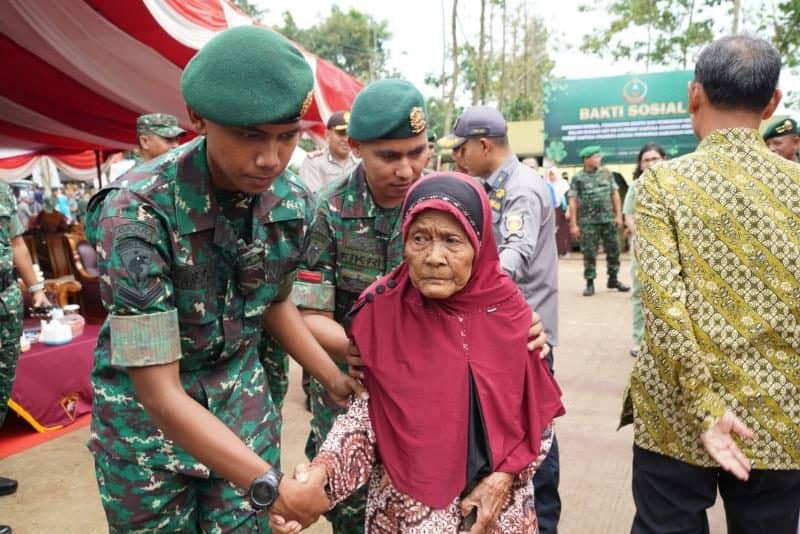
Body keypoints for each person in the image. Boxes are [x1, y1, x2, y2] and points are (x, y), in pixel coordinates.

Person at [83, 26, 364, 532]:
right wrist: (270, 487)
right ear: (198, 118)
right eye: (250, 135)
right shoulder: (138, 213)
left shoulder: (292, 200)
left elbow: (273, 302)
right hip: (146, 438)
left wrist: (332, 377)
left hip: (242, 412)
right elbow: (159, 393)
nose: (270, 159)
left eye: (287, 137)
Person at [271, 172, 565, 533]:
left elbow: (538, 418)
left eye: (452, 241)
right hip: (408, 515)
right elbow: (365, 418)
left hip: (496, 513)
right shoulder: (382, 313)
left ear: (480, 242)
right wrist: (317, 483)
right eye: (420, 238)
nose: (434, 257)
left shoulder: (507, 312)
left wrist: (503, 478)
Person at [622, 35, 800, 533]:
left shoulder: (661, 184)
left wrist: (706, 408)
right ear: (772, 103)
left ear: (693, 95)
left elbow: (663, 312)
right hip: (780, 413)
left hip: (677, 416)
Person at [451, 105, 562, 534]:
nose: (458, 158)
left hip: (527, 341)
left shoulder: (521, 189)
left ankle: (545, 523)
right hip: (500, 336)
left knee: (535, 442)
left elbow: (514, 256)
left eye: (461, 149)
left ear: (483, 145)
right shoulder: (490, 184)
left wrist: (460, 278)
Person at [0, 181, 51, 534]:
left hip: (5, 299)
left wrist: (37, 290)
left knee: (0, 392)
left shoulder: (0, 188)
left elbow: (16, 242)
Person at [621, 143, 665, 358]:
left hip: (670, 250)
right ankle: (639, 340)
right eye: (646, 160)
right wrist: (646, 240)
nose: (651, 163)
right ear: (640, 164)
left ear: (664, 159)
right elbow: (628, 216)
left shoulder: (673, 184)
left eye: (655, 158)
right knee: (640, 295)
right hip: (643, 249)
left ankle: (666, 342)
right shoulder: (636, 186)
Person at [568, 146, 629, 296]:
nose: (599, 159)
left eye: (599, 156)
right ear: (586, 159)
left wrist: (618, 215)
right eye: (595, 157)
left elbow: (614, 194)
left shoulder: (607, 174)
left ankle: (613, 279)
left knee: (614, 251)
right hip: (588, 222)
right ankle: (590, 283)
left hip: (608, 219)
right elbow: (573, 201)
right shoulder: (578, 178)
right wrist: (574, 224)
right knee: (589, 252)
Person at [298, 111, 358, 192]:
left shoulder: (361, 162)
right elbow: (311, 199)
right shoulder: (314, 162)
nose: (346, 139)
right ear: (327, 134)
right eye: (341, 134)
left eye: (350, 134)